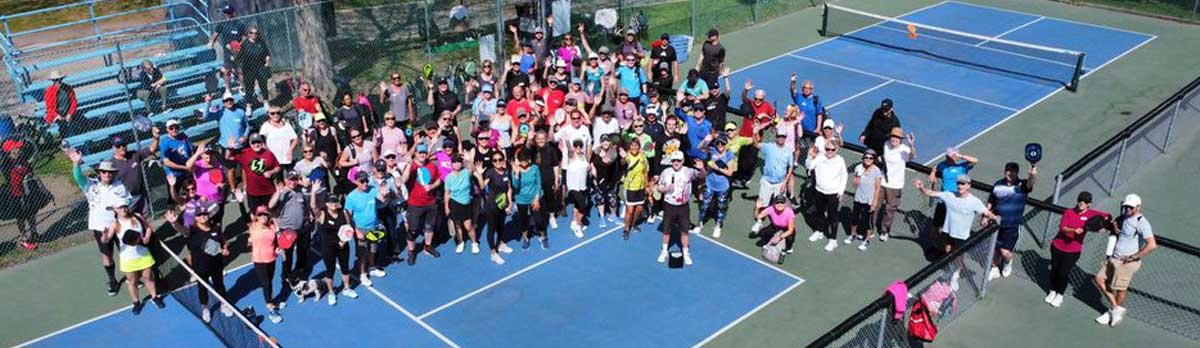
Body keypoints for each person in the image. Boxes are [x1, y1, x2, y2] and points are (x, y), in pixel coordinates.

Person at [913, 175, 999, 290]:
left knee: (958, 256)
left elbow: (986, 212)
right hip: (948, 232)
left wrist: (997, 219)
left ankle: (955, 275)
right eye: (958, 183)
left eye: (963, 184)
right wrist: (921, 188)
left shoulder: (974, 201)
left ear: (969, 186)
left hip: (962, 235)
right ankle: (951, 270)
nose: (960, 186)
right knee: (948, 251)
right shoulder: (949, 195)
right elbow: (931, 193)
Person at [68, 152, 132, 296]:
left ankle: (130, 277)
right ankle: (113, 281)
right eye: (104, 172)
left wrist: (123, 210)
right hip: (100, 227)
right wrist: (76, 163)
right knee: (106, 255)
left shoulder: (119, 186)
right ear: (99, 173)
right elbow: (77, 177)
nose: (107, 174)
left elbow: (129, 200)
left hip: (119, 225)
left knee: (126, 251)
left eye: (110, 172)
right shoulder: (90, 185)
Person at [1095, 194, 1157, 327]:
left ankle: (1112, 311)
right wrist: (1111, 227)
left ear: (1138, 207)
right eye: (1126, 206)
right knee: (1099, 279)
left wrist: (1134, 256)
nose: (1127, 208)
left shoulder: (1142, 222)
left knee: (1120, 289)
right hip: (1114, 258)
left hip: (1126, 263)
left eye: (1131, 207)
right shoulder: (1123, 217)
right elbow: (1116, 228)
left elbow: (1152, 244)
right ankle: (1115, 308)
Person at [165, 205, 233, 322]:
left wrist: (225, 248)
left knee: (219, 285)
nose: (202, 216)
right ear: (195, 218)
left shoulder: (215, 228)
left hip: (216, 265)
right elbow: (181, 229)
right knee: (203, 288)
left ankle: (224, 304)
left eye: (204, 214)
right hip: (200, 267)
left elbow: (223, 241)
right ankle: (205, 308)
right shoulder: (192, 231)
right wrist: (174, 223)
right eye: (199, 215)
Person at [1046, 191, 1110, 308]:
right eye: (1080, 200)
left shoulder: (1091, 214)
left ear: (1089, 204)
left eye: (1085, 201)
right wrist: (1074, 230)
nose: (1082, 203)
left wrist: (1103, 226)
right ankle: (1052, 291)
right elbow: (1063, 228)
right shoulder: (1068, 212)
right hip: (1057, 246)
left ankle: (1060, 295)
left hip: (1073, 251)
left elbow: (1106, 216)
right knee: (1054, 270)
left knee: (1063, 273)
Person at [103, 200, 163, 314]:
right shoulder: (115, 224)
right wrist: (104, 236)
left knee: (149, 277)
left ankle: (155, 297)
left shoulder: (137, 217)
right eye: (120, 208)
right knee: (132, 281)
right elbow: (106, 240)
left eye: (125, 206)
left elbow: (149, 228)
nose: (123, 209)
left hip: (144, 255)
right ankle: (136, 302)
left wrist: (147, 237)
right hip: (128, 259)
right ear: (115, 210)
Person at [986, 162, 1037, 281]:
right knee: (994, 248)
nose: (1009, 173)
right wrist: (985, 215)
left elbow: (1030, 183)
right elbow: (991, 201)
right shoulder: (997, 184)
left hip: (1012, 225)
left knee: (1004, 252)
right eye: (1007, 170)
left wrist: (1032, 175)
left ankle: (1008, 263)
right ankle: (994, 269)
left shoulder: (1022, 185)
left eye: (1013, 171)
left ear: (1017, 173)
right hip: (996, 223)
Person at [655, 152, 706, 265]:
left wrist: (702, 168)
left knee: (684, 231)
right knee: (666, 230)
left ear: (683, 161)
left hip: (683, 207)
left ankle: (686, 253)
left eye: (678, 160)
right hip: (669, 205)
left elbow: (702, 176)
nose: (676, 163)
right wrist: (666, 188)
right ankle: (664, 251)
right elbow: (658, 188)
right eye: (674, 160)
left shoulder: (688, 171)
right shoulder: (666, 172)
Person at [345, 170, 391, 285]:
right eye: (362, 181)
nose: (365, 183)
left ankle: (372, 268)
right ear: (356, 182)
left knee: (373, 249)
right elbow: (347, 215)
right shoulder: (351, 197)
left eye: (366, 180)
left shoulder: (372, 189)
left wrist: (386, 194)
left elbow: (383, 199)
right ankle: (363, 274)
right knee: (363, 253)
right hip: (361, 229)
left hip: (374, 226)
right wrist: (356, 231)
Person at [399, 144, 442, 265]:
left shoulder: (431, 166)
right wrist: (408, 165)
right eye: (419, 153)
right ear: (415, 154)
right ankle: (412, 251)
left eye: (424, 152)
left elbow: (439, 179)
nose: (422, 155)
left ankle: (427, 246)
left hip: (431, 202)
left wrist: (432, 186)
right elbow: (404, 179)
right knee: (413, 231)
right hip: (415, 204)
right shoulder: (411, 166)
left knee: (429, 227)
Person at [270, 171, 313, 291]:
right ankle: (286, 276)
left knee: (303, 250)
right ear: (285, 180)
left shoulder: (300, 192)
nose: (292, 182)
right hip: (287, 230)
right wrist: (277, 194)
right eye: (290, 179)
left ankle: (299, 271)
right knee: (287, 256)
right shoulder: (281, 193)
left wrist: (309, 214)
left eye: (294, 179)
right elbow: (271, 206)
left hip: (303, 228)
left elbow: (306, 205)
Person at [314, 194, 359, 305]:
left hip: (342, 245)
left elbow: (349, 228)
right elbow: (313, 206)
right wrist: (314, 191)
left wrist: (345, 240)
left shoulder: (343, 212)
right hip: (328, 247)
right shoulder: (323, 214)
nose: (333, 204)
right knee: (330, 270)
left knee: (345, 268)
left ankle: (346, 288)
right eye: (330, 202)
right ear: (326, 204)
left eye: (335, 201)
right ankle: (331, 292)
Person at [929, 147, 978, 249]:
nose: (949, 157)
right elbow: (935, 167)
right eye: (949, 155)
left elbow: (975, 160)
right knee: (934, 230)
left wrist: (961, 156)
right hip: (943, 202)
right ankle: (937, 248)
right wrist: (933, 173)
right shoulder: (943, 165)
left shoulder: (963, 166)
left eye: (952, 155)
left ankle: (948, 253)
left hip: (955, 205)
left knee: (951, 233)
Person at [806, 141, 848, 252]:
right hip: (819, 191)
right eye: (828, 149)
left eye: (832, 150)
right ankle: (819, 231)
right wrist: (810, 157)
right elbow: (810, 167)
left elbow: (844, 176)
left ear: (836, 150)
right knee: (820, 213)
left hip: (833, 193)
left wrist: (841, 191)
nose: (830, 151)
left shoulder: (840, 161)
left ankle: (833, 240)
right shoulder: (819, 158)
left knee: (832, 217)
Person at [109, 130, 160, 218]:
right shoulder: (111, 164)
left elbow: (152, 149)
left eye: (123, 145)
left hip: (141, 194)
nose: (121, 147)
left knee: (144, 219)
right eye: (118, 146)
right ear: (114, 148)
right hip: (125, 200)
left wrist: (156, 137)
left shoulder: (134, 155)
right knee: (129, 222)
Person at [477, 151, 514, 264]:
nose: (497, 162)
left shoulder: (506, 172)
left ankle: (501, 244)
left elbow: (508, 189)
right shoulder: (490, 173)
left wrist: (510, 203)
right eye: (495, 160)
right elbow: (483, 186)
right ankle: (493, 253)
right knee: (491, 229)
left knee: (501, 226)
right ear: (492, 162)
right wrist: (479, 175)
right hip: (492, 206)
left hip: (502, 205)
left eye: (500, 159)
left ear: (503, 160)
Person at [752, 133, 794, 234]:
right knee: (762, 203)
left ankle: (782, 226)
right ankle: (759, 221)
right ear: (776, 137)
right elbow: (756, 144)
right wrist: (755, 132)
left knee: (781, 205)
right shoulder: (768, 147)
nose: (781, 138)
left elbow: (790, 167)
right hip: (766, 181)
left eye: (783, 136)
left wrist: (785, 182)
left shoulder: (788, 151)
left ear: (785, 138)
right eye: (779, 136)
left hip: (780, 183)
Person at [248, 205, 283, 323]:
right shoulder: (252, 226)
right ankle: (270, 306)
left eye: (265, 215)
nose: (263, 217)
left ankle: (270, 299)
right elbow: (246, 217)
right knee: (266, 283)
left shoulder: (273, 226)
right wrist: (241, 203)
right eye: (260, 215)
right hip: (259, 260)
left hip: (272, 258)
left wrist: (278, 249)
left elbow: (277, 243)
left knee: (270, 280)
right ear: (256, 217)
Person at [879, 127, 915, 241]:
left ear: (901, 140)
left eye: (897, 138)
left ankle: (884, 231)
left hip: (895, 185)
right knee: (875, 206)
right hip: (882, 181)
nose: (894, 139)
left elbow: (912, 156)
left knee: (889, 210)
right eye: (893, 137)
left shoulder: (905, 150)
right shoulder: (886, 144)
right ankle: (869, 228)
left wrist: (912, 145)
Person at [229, 134, 281, 212]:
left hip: (269, 191)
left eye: (258, 142)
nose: (256, 144)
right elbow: (229, 157)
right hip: (253, 192)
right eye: (253, 142)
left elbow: (278, 167)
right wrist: (230, 148)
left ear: (261, 142)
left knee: (272, 212)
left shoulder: (269, 154)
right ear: (250, 143)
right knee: (254, 214)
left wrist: (271, 172)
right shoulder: (244, 153)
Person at [697, 135, 735, 238]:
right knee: (704, 205)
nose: (720, 145)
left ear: (726, 144)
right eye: (718, 143)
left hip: (723, 186)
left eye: (722, 143)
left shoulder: (729, 155)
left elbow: (730, 173)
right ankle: (700, 223)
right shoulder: (712, 151)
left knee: (721, 207)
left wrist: (717, 168)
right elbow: (699, 148)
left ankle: (718, 226)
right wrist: (705, 140)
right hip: (710, 183)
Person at [847, 149, 884, 251]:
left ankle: (866, 240)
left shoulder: (876, 171)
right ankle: (853, 235)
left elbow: (877, 188)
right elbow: (854, 185)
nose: (868, 159)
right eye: (866, 157)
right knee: (855, 218)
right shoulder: (858, 168)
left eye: (871, 158)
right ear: (863, 158)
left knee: (866, 221)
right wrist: (858, 177)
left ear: (874, 159)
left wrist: (874, 202)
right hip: (858, 198)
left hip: (869, 200)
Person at [444, 154, 478, 254]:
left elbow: (474, 168)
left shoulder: (466, 173)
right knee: (457, 225)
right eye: (454, 162)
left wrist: (468, 159)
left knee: (468, 226)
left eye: (459, 161)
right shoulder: (448, 178)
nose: (457, 164)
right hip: (454, 203)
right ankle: (461, 242)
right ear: (451, 164)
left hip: (466, 202)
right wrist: (446, 206)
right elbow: (447, 193)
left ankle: (474, 243)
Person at [511, 151, 545, 249]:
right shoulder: (515, 170)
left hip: (534, 198)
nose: (526, 162)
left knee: (539, 220)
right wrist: (516, 174)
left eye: (527, 160)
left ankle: (543, 237)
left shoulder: (535, 168)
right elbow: (515, 187)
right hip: (521, 200)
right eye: (523, 160)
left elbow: (538, 184)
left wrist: (537, 198)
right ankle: (525, 238)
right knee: (524, 221)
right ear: (519, 161)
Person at [209, 4, 244, 91]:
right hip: (227, 53)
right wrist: (211, 42)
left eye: (229, 13)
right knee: (227, 71)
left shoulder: (239, 24)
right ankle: (228, 88)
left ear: (233, 13)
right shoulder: (222, 24)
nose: (227, 15)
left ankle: (243, 86)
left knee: (240, 71)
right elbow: (215, 34)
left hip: (238, 52)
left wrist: (235, 47)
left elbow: (244, 39)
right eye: (225, 13)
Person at [621, 139, 650, 240]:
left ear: (639, 146)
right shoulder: (627, 156)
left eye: (636, 145)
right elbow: (623, 162)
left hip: (640, 187)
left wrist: (647, 186)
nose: (634, 147)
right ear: (629, 147)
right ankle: (626, 229)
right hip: (630, 188)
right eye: (632, 145)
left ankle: (633, 224)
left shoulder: (642, 156)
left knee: (639, 209)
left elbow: (645, 172)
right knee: (629, 211)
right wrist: (623, 157)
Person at [591, 136, 621, 228]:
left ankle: (613, 215)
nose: (605, 142)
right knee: (600, 199)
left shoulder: (613, 152)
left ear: (610, 142)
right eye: (603, 141)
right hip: (600, 179)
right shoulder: (596, 151)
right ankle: (602, 217)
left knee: (613, 200)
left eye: (607, 140)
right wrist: (593, 169)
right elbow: (591, 161)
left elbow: (608, 161)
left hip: (611, 179)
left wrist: (603, 156)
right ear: (600, 142)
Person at [563, 140, 591, 237]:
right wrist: (566, 139)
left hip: (582, 186)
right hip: (573, 186)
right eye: (576, 146)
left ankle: (574, 222)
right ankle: (578, 226)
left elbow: (587, 167)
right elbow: (569, 149)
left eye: (580, 146)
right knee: (583, 205)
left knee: (577, 205)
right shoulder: (572, 155)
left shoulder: (583, 156)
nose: (578, 148)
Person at [237, 26, 271, 105]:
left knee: (263, 85)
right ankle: (248, 105)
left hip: (260, 67)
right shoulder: (244, 44)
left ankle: (266, 102)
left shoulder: (261, 42)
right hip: (248, 68)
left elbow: (267, 54)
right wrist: (240, 69)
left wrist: (267, 63)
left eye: (255, 33)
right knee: (249, 87)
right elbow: (239, 57)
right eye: (251, 33)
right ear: (248, 34)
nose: (254, 34)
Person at [260, 107, 298, 171]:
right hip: (273, 160)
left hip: (286, 159)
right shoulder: (265, 126)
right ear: (269, 115)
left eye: (278, 113)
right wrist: (269, 153)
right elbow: (261, 141)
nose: (275, 115)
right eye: (272, 113)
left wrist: (290, 150)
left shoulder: (287, 125)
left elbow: (295, 139)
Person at [759, 195, 797, 259]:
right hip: (775, 226)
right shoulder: (770, 209)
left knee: (790, 239)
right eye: (777, 202)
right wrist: (757, 208)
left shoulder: (789, 212)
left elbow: (790, 230)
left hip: (786, 228)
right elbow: (758, 216)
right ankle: (769, 242)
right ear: (774, 203)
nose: (779, 204)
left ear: (785, 204)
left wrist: (779, 237)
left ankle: (789, 248)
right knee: (762, 233)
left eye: (782, 202)